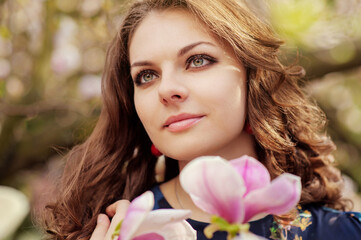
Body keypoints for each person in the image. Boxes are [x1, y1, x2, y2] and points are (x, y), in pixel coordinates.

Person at [41, 0, 361, 239]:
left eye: (198, 60)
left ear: (253, 76)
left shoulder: (341, 231)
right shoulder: (117, 229)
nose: (167, 90)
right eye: (146, 75)